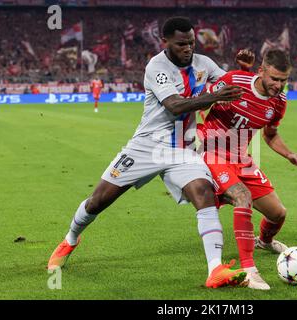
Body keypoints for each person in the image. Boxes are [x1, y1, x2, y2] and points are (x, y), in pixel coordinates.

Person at [47, 16, 248, 288]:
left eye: (191, 42)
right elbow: (175, 106)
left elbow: (232, 85)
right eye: (181, 44)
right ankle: (70, 240)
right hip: (146, 146)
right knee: (98, 201)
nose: (188, 48)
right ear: (164, 42)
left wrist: (243, 72)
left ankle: (215, 270)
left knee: (204, 193)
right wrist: (215, 96)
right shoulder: (157, 67)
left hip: (182, 148)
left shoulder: (204, 64)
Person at [198, 49, 297, 290]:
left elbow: (271, 134)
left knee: (278, 213)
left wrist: (289, 154)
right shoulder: (234, 81)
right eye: (274, 79)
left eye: (283, 80)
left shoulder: (279, 102)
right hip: (212, 152)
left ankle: (265, 242)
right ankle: (249, 270)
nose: (278, 85)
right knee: (242, 197)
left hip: (241, 158)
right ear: (261, 71)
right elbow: (199, 102)